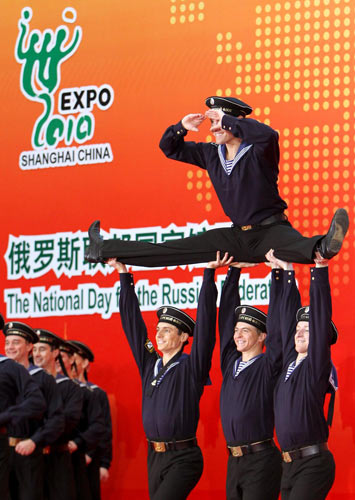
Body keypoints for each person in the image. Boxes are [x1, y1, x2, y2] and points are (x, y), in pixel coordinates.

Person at [84, 96, 348, 267]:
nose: (213, 128)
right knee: (175, 249)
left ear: (236, 122)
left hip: (271, 230)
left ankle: (323, 247)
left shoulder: (258, 150)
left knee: (297, 245)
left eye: (218, 122)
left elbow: (268, 134)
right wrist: (181, 127)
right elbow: (170, 148)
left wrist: (227, 120)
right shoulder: (211, 154)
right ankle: (102, 249)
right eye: (212, 122)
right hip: (236, 236)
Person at [106, 251, 230, 499]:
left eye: (167, 330)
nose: (159, 335)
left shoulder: (191, 367)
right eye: (158, 329)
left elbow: (205, 331)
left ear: (183, 337)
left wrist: (208, 276)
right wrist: (124, 276)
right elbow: (134, 327)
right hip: (154, 457)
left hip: (183, 458)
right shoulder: (150, 363)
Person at [266, 249, 337, 500]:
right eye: (299, 328)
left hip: (313, 464)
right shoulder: (288, 364)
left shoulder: (315, 366)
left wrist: (319, 270)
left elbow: (320, 317)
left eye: (307, 330)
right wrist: (287, 272)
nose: (299, 332)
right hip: (288, 466)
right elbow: (287, 317)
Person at [218, 259, 282, 499]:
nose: (238, 334)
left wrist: (276, 275)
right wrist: (233, 272)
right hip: (234, 463)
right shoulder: (230, 364)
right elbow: (225, 322)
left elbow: (278, 329)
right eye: (237, 330)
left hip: (261, 461)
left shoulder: (269, 365)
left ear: (262, 336)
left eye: (246, 330)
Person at [3, 321, 64, 500]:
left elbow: (57, 419)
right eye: (7, 342)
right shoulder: (3, 374)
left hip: (28, 454)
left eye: (16, 342)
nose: (10, 347)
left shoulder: (43, 379)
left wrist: (34, 441)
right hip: (3, 451)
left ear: (29, 346)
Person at [0, 314, 46, 500]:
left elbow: (37, 402)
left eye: (16, 342)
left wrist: (5, 416)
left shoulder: (10, 367)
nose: (11, 347)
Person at [33, 329, 82, 500]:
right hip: (30, 459)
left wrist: (35, 435)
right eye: (35, 349)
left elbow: (68, 421)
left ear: (55, 353)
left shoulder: (70, 388)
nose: (37, 354)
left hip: (57, 458)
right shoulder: (26, 383)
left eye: (42, 349)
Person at [68, 340, 112, 500]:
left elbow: (104, 429)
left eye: (75, 356)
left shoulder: (96, 393)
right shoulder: (62, 388)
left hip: (90, 457)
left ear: (85, 362)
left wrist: (102, 462)